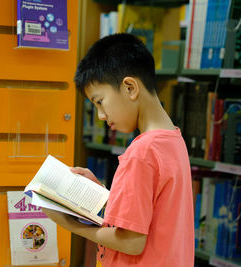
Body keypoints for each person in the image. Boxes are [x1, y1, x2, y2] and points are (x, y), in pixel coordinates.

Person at [42, 33, 194, 266]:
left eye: (100, 101)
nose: (101, 116)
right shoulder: (173, 139)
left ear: (130, 88)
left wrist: (71, 224)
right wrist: (106, 197)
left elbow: (131, 242)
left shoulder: (141, 152)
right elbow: (154, 216)